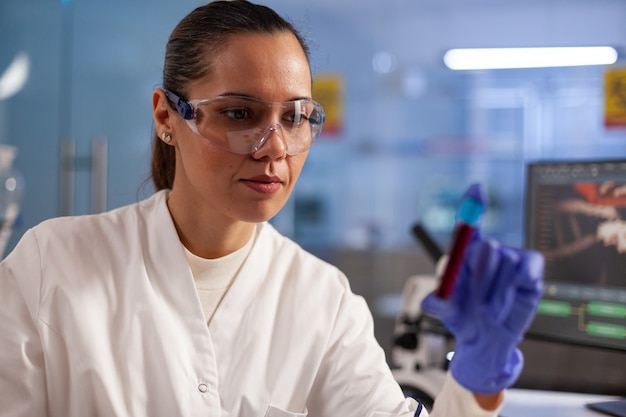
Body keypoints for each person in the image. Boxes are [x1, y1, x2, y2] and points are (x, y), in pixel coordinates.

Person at [0, 1, 544, 416]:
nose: (275, 148)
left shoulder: (322, 299)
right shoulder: (51, 264)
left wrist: (478, 376)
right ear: (167, 117)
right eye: (240, 113)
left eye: (295, 116)